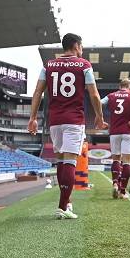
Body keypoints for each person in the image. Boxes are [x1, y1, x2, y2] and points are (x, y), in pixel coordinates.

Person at [29, 33, 107, 218]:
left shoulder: (48, 65)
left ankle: (67, 202)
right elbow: (94, 95)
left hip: (54, 121)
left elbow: (38, 91)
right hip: (74, 120)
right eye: (82, 46)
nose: (82, 50)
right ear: (76, 46)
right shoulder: (84, 65)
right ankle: (63, 207)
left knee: (61, 162)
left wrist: (33, 117)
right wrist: (99, 116)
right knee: (70, 162)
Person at [100, 79, 130, 199]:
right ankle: (122, 191)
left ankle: (115, 183)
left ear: (119, 86)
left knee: (115, 159)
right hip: (128, 131)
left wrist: (99, 120)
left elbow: (98, 103)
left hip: (114, 132)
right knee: (127, 162)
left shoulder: (111, 96)